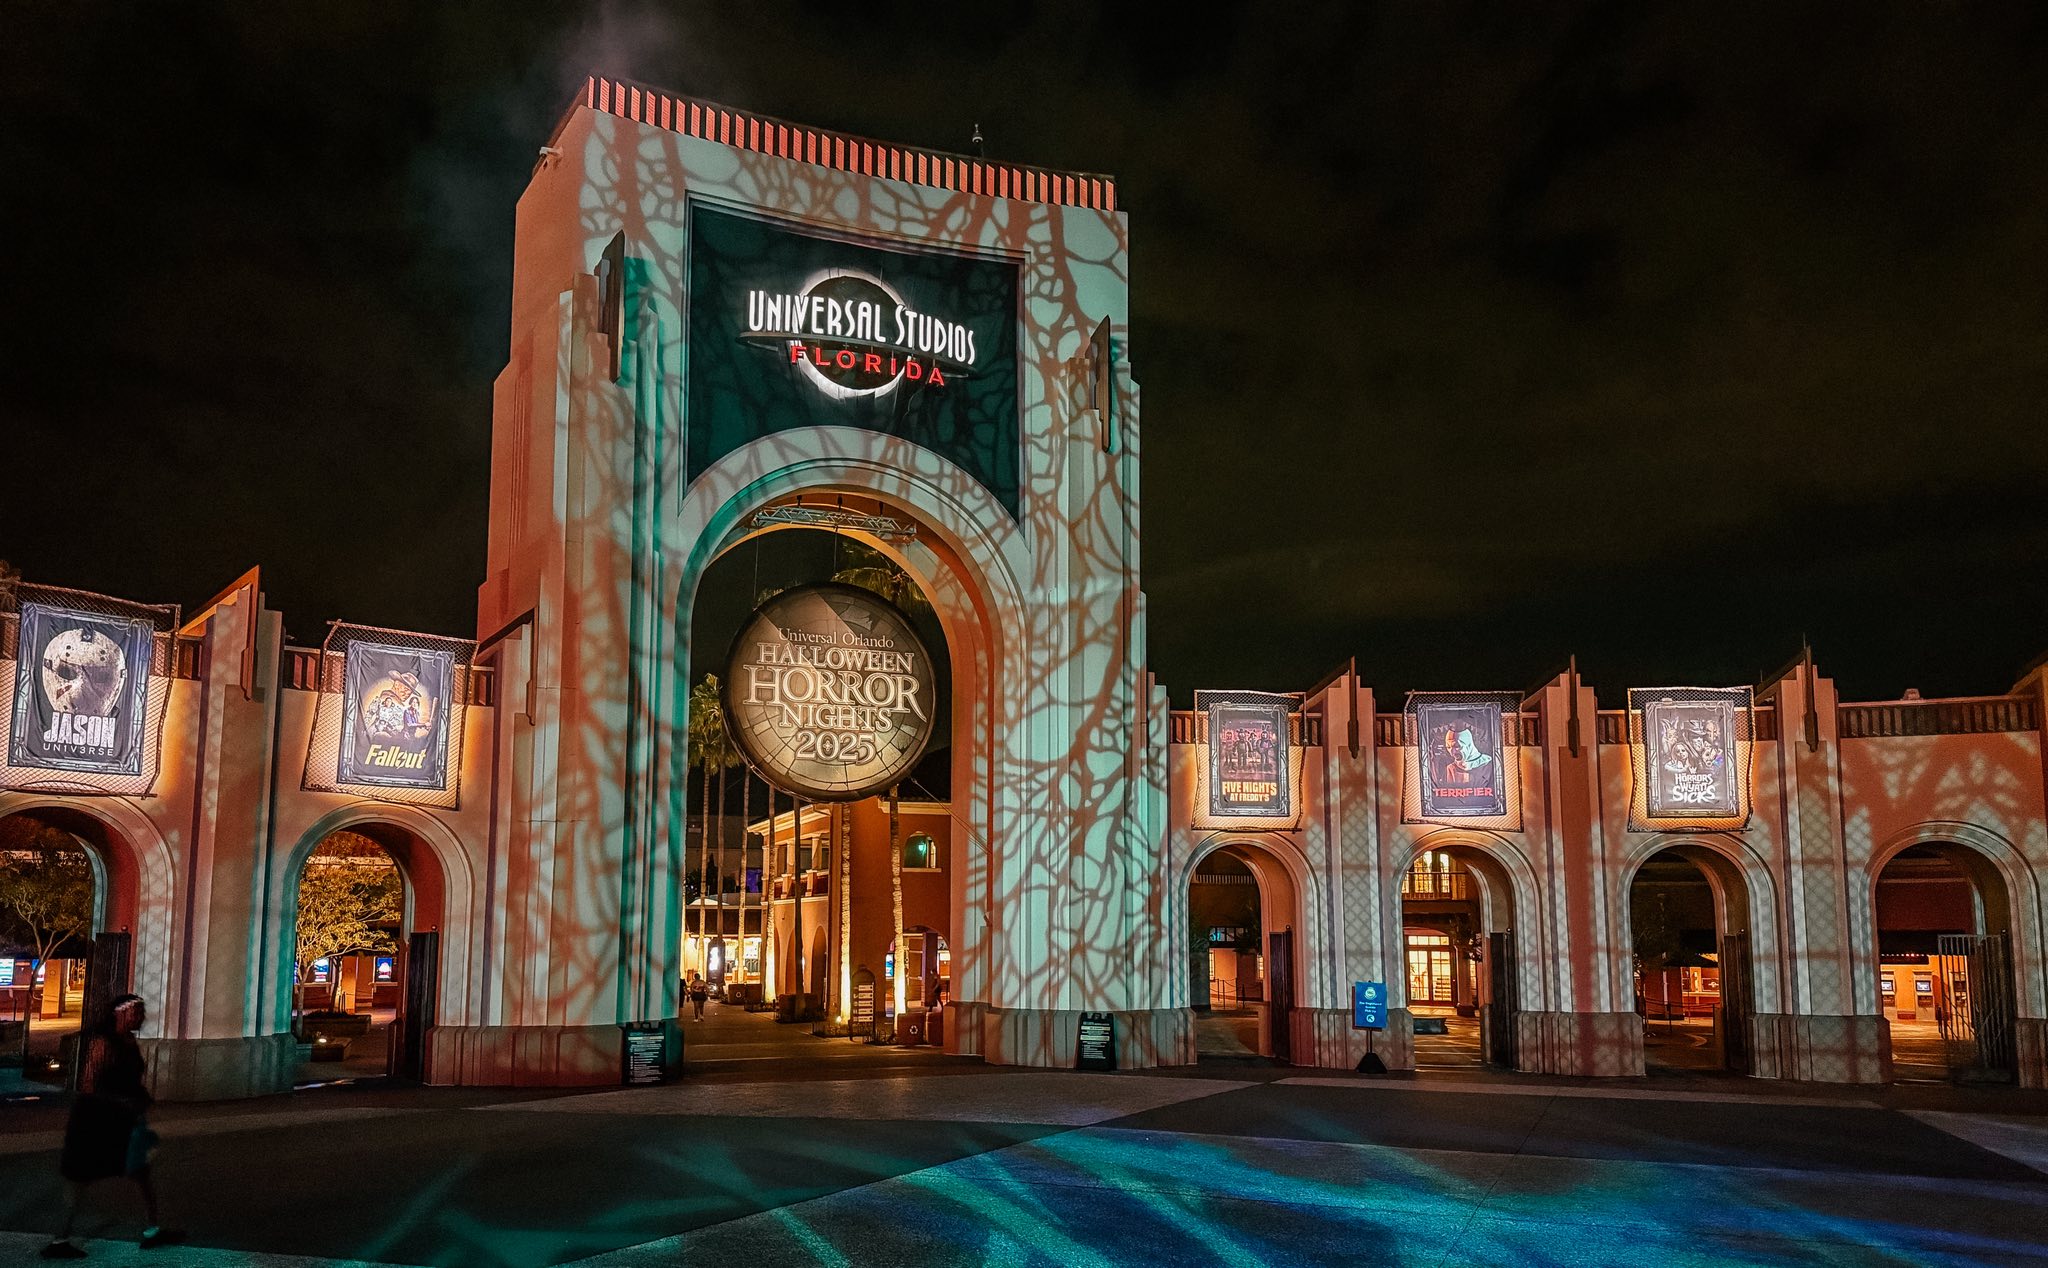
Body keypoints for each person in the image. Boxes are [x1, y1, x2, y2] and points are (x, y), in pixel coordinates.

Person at [43, 993, 182, 1258]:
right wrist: (125, 1101)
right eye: (137, 1012)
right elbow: (88, 1085)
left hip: (122, 1119)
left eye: (141, 1012)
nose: (142, 1017)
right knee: (79, 1177)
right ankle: (59, 1241)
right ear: (120, 1014)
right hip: (95, 1119)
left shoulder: (128, 1041)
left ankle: (153, 1229)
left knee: (140, 1171)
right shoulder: (102, 1043)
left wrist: (137, 1099)